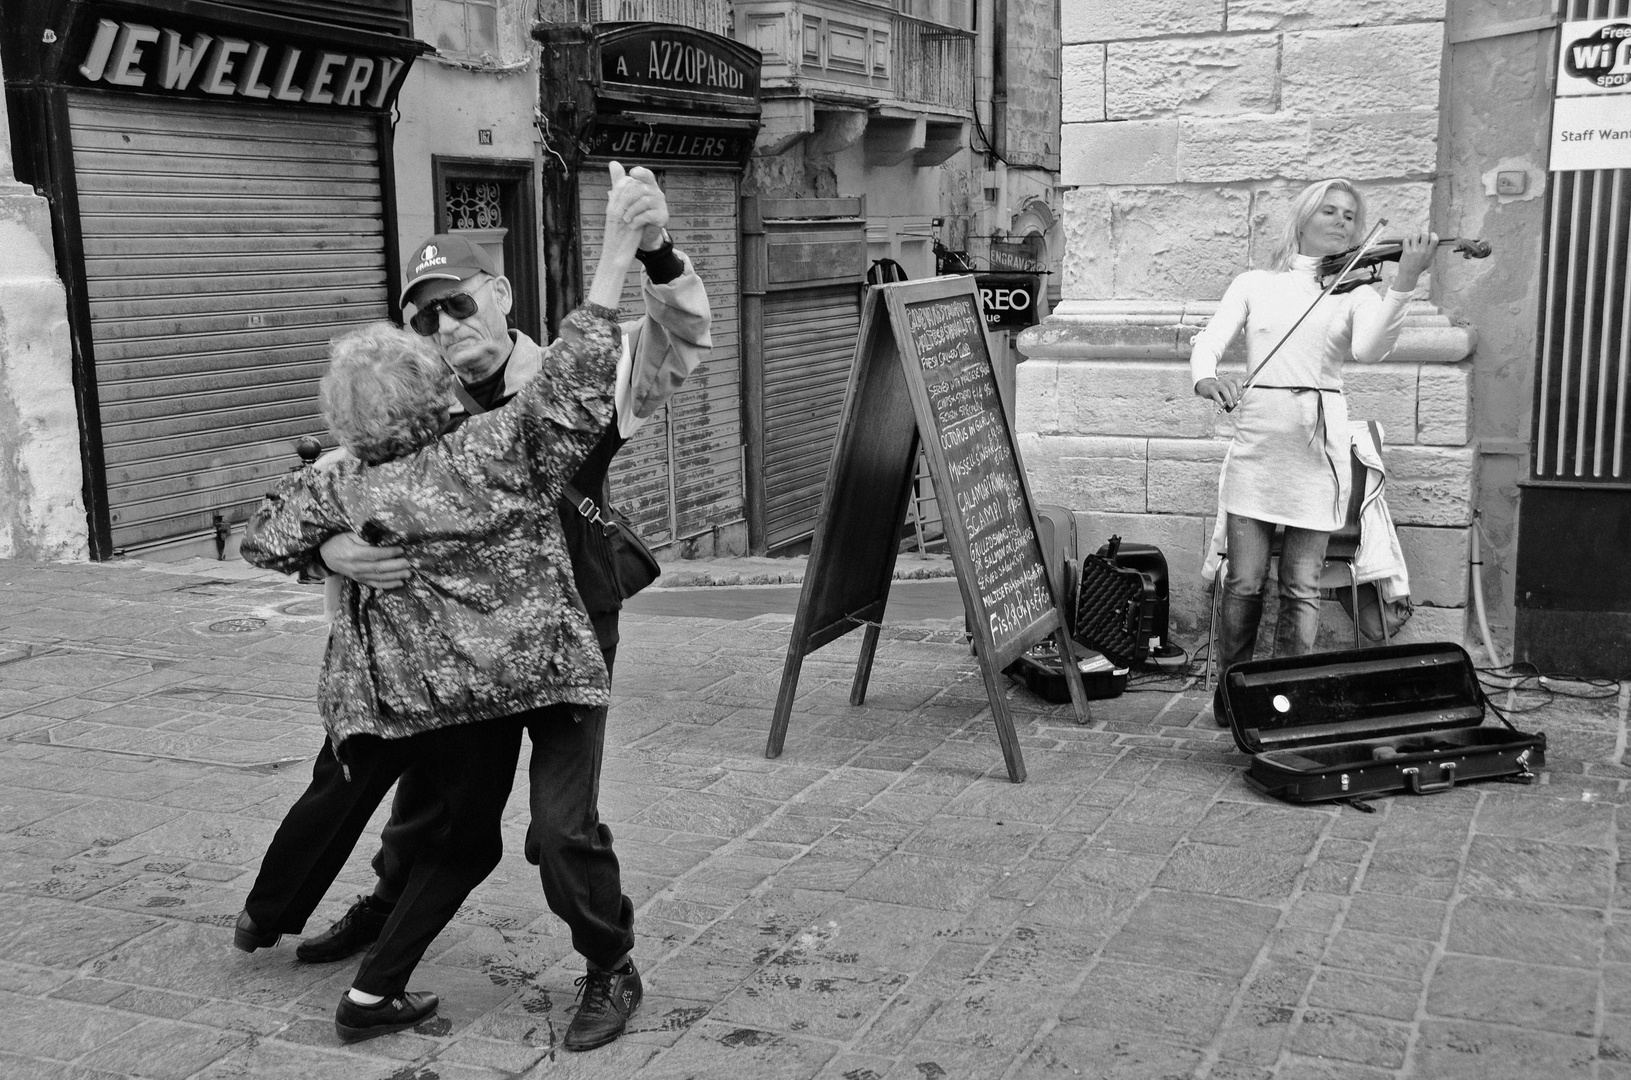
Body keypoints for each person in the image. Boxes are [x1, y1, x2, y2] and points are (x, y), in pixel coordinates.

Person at [232, 163, 666, 1043]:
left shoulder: (378, 470)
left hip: (562, 653)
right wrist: (336, 551)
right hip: (474, 688)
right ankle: (386, 937)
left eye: (456, 306)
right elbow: (577, 370)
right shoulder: (474, 453)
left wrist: (325, 536)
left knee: (557, 832)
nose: (445, 325)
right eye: (426, 318)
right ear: (423, 373)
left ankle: (607, 963)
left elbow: (264, 529)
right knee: (441, 822)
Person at [1190, 178, 1434, 700]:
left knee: (1301, 586)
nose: (1343, 221)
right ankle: (1232, 692)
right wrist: (1206, 376)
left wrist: (1405, 282)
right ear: (1302, 219)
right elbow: (1210, 339)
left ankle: (1287, 698)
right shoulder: (1255, 282)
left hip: (1318, 447)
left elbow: (1370, 349)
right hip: (1258, 443)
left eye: (1351, 214)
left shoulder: (1357, 292)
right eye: (1330, 210)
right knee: (1244, 581)